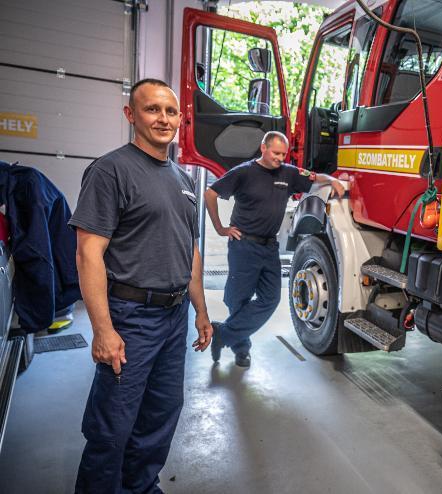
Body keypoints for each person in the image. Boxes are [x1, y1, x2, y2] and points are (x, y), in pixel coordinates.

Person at [70, 78, 213, 493]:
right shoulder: (110, 170)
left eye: (171, 111)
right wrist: (103, 330)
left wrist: (201, 311)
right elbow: (88, 254)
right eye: (152, 109)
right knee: (113, 425)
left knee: (160, 414)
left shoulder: (184, 179)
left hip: (174, 316)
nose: (163, 119)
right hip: (131, 317)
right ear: (130, 115)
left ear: (180, 118)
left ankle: (140, 486)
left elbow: (190, 251)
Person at [206, 131, 344, 367]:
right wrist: (220, 228)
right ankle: (241, 349)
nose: (280, 158)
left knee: (271, 299)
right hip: (244, 246)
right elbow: (211, 193)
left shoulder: (288, 173)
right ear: (263, 148)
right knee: (238, 300)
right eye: (276, 153)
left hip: (269, 247)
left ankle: (223, 334)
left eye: (283, 154)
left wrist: (332, 180)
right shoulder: (244, 172)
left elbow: (314, 177)